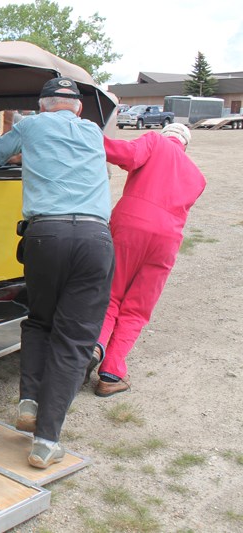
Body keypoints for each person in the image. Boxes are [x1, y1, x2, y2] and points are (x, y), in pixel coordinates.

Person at [0, 77, 115, 469]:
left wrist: (22, 137)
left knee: (39, 321)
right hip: (95, 237)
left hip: (45, 233)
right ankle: (46, 442)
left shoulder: (30, 125)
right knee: (74, 339)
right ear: (78, 108)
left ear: (43, 105)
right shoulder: (94, 131)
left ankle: (29, 399)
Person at [89, 122, 206, 397]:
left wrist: (92, 136)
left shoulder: (154, 140)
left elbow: (127, 155)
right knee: (138, 308)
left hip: (130, 226)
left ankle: (94, 346)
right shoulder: (198, 177)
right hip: (167, 239)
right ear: (185, 145)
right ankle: (111, 374)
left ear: (167, 135)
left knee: (112, 293)